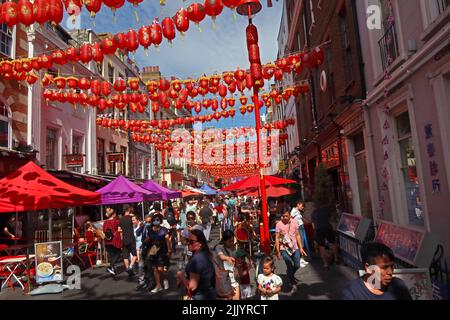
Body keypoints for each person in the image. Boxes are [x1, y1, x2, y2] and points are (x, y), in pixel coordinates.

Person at [341, 242, 412, 300]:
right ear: (368, 268)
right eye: (384, 267)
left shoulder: (399, 286)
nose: (390, 272)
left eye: (392, 266)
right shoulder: (352, 292)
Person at [177, 229, 216, 300]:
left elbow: (192, 287)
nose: (188, 243)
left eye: (191, 242)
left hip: (200, 296)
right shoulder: (207, 254)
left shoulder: (197, 260)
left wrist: (180, 276)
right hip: (210, 293)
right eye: (187, 240)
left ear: (200, 243)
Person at [275, 211, 307, 294]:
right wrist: (278, 250)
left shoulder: (294, 222)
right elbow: (277, 238)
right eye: (283, 216)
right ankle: (293, 284)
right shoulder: (279, 224)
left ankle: (290, 274)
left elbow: (297, 235)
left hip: (294, 247)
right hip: (284, 248)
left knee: (297, 265)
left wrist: (301, 248)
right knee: (289, 264)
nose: (284, 218)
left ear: (290, 216)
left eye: (286, 216)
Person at [145, 213, 172, 293]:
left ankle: (165, 278)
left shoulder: (164, 229)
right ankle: (158, 285)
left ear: (160, 221)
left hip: (162, 250)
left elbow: (167, 240)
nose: (156, 221)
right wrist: (145, 241)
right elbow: (148, 239)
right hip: (153, 251)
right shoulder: (150, 230)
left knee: (160, 269)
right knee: (154, 268)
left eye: (158, 220)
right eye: (154, 220)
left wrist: (169, 250)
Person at [215, 230, 239, 300]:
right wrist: (227, 258)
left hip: (233, 277)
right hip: (223, 279)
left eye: (232, 240)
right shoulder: (219, 247)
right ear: (224, 241)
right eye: (230, 241)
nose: (232, 243)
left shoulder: (233, 248)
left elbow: (235, 260)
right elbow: (221, 256)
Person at [102, 208, 122, 276]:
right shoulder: (116, 221)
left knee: (111, 255)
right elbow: (119, 230)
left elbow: (104, 231)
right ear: (114, 214)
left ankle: (112, 269)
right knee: (118, 253)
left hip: (107, 240)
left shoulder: (105, 222)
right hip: (115, 240)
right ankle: (110, 267)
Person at [291, 200, 311, 266]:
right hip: (298, 228)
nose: (303, 207)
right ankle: (299, 260)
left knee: (301, 243)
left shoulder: (297, 211)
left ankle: (301, 258)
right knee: (300, 244)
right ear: (298, 204)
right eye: (302, 206)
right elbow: (290, 218)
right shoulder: (294, 211)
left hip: (301, 227)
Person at [120, 206, 137, 276]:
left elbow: (119, 230)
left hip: (124, 239)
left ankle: (128, 269)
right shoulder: (131, 218)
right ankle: (130, 267)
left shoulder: (121, 219)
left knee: (125, 256)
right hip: (131, 238)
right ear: (129, 211)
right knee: (135, 255)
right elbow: (136, 224)